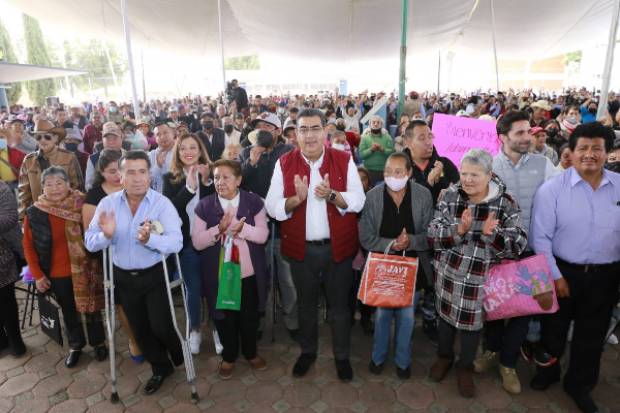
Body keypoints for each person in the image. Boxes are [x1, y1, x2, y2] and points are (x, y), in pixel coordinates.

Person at [265, 108, 365, 382]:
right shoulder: (284, 163)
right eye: (303, 129)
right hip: (301, 250)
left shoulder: (344, 159)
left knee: (339, 308)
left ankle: (342, 356)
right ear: (295, 134)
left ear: (325, 131)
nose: (309, 135)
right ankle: (308, 351)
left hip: (337, 249)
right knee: (306, 305)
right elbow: (271, 206)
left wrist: (332, 195)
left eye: (314, 128)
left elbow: (359, 200)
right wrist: (295, 200)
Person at [529, 122, 620, 413]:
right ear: (571, 151)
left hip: (606, 275)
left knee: (591, 336)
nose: (590, 154)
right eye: (583, 148)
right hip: (562, 272)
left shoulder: (619, 187)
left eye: (597, 148)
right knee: (553, 331)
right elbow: (540, 238)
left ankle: (579, 385)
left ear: (608, 153)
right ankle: (547, 372)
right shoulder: (551, 190)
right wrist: (555, 276)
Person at [427, 149, 527, 398]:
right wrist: (459, 229)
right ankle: (444, 357)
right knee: (445, 322)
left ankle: (464, 368)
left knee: (472, 329)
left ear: (489, 174)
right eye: (464, 173)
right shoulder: (450, 194)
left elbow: (519, 243)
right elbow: (432, 233)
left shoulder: (506, 202)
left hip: (482, 279)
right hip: (448, 274)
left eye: (475, 174)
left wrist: (492, 235)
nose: (468, 180)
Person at [85, 150, 184, 395]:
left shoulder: (162, 204)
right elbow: (89, 241)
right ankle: (161, 368)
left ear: (149, 176)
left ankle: (177, 351)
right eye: (131, 172)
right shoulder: (107, 204)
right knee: (140, 330)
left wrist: (151, 239)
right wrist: (105, 235)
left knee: (161, 326)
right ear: (121, 176)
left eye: (142, 172)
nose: (137, 178)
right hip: (123, 277)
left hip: (153, 275)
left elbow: (176, 242)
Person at [476, 110, 558, 395]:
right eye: (520, 133)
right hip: (496, 251)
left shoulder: (545, 164)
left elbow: (558, 199)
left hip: (532, 252)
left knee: (524, 310)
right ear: (503, 138)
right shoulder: (488, 166)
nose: (528, 137)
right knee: (495, 306)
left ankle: (508, 364)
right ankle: (491, 351)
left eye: (529, 131)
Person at [192, 159, 269, 379]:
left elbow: (263, 236)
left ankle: (251, 353)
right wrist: (219, 228)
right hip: (220, 276)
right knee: (225, 318)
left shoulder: (253, 202)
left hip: (248, 274)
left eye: (226, 177)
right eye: (216, 177)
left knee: (249, 317)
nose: (220, 182)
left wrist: (242, 229)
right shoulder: (205, 206)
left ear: (239, 180)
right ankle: (229, 356)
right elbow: (197, 242)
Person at [23, 166, 107, 368]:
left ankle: (98, 343)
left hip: (86, 267)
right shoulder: (35, 212)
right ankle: (76, 345)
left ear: (68, 184)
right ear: (42, 187)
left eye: (59, 183)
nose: (55, 188)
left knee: (92, 308)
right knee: (69, 310)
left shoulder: (82, 203)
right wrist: (38, 275)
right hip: (57, 272)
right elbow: (28, 246)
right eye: (49, 184)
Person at [358, 153, 433, 379]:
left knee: (407, 317)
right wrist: (391, 244)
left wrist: (411, 240)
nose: (392, 176)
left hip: (412, 266)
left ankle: (403, 360)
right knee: (382, 315)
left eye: (398, 171)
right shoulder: (372, 197)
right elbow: (366, 237)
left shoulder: (423, 195)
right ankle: (378, 357)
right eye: (388, 171)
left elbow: (430, 234)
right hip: (384, 267)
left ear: (409, 173)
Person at [82, 149, 144, 364]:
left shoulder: (136, 187)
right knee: (123, 303)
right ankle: (134, 339)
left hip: (141, 252)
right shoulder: (94, 195)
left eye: (121, 169)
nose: (118, 175)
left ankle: (149, 334)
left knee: (144, 299)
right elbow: (90, 236)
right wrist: (108, 233)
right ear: (101, 171)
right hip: (110, 258)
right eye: (111, 171)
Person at [402, 119, 460, 343]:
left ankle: (430, 318)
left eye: (430, 136)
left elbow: (461, 193)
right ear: (408, 142)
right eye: (421, 137)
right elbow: (405, 202)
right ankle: (406, 322)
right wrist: (428, 184)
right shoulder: (401, 165)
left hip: (441, 239)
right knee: (414, 282)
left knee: (435, 283)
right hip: (411, 237)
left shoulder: (445, 164)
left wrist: (450, 191)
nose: (428, 142)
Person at [162, 133, 214, 355]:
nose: (188, 152)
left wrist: (206, 182)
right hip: (187, 244)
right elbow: (170, 210)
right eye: (183, 148)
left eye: (193, 147)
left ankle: (217, 328)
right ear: (178, 152)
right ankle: (194, 329)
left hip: (212, 241)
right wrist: (190, 188)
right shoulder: (170, 178)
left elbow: (220, 206)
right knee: (192, 290)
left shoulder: (211, 174)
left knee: (214, 287)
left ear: (201, 150)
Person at [18, 119, 83, 218]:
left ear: (56, 138)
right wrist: (22, 219)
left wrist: (72, 211)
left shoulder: (69, 157)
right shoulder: (28, 160)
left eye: (47, 137)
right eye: (38, 137)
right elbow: (24, 193)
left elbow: (78, 187)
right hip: (39, 215)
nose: (42, 140)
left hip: (65, 214)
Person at [0, 181, 26, 357]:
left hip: (4, 251)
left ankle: (16, 341)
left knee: (5, 299)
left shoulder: (1, 188)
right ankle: (1, 341)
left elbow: (9, 217)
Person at [85, 122, 125, 191]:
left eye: (115, 138)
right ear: (102, 140)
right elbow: (88, 185)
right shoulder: (93, 159)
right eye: (108, 139)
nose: (111, 142)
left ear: (121, 138)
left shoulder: (129, 157)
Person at [358, 115, 394, 185]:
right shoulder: (365, 138)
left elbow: (392, 154)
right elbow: (361, 155)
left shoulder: (388, 137)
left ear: (381, 125)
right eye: (373, 122)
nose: (376, 124)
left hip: (384, 171)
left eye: (378, 122)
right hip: (369, 170)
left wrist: (382, 149)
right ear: (370, 125)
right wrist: (371, 150)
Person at [149, 121, 176, 192]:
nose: (162, 137)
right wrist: (158, 166)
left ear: (173, 133)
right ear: (155, 138)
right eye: (158, 134)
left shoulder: (183, 152)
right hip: (160, 197)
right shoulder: (151, 155)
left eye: (165, 132)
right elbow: (148, 180)